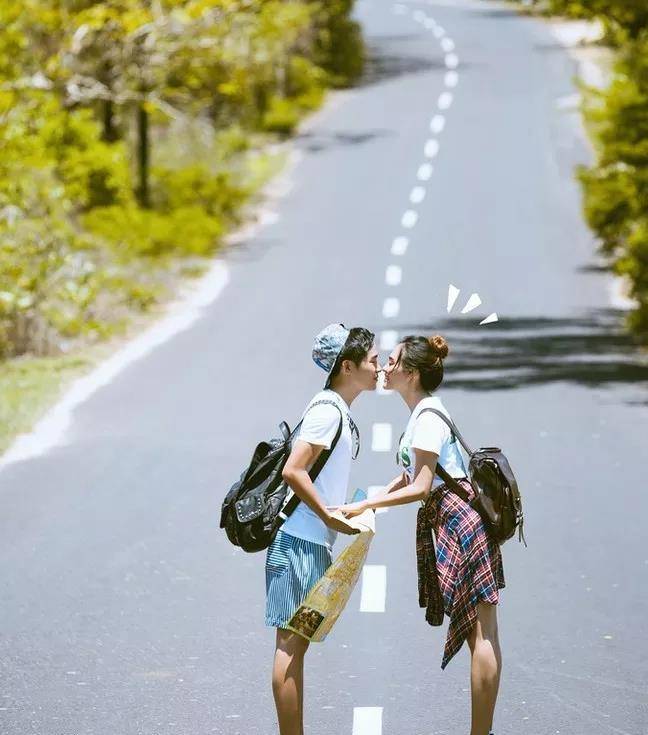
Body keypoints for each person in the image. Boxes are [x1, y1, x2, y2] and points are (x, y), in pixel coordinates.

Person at [336, 334, 505, 735]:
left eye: (392, 362)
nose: (384, 368)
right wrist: (373, 498)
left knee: (481, 632)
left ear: (411, 373)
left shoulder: (427, 417)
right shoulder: (422, 412)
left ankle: (481, 732)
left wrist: (364, 507)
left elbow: (422, 486)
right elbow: (411, 476)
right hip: (457, 519)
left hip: (460, 523)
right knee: (481, 630)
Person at [266, 323, 379, 735]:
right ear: (346, 366)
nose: (379, 365)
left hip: (311, 541)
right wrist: (328, 516)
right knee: (290, 647)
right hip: (299, 539)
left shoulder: (337, 411)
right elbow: (293, 470)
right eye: (371, 359)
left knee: (296, 648)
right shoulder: (327, 411)